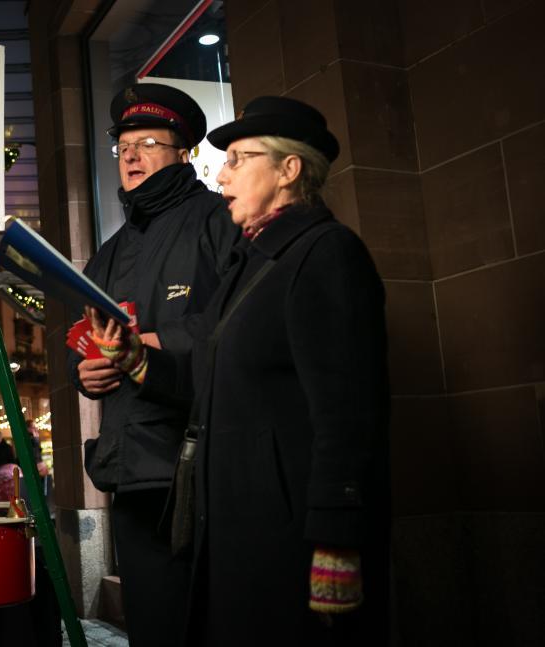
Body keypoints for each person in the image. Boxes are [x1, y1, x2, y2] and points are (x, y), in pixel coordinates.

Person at [92, 96, 390, 645]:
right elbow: (208, 372)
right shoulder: (250, 263)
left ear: (288, 170)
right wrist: (138, 363)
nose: (221, 172)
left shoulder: (325, 252)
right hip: (236, 520)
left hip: (287, 525)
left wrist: (336, 540)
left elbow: (348, 411)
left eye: (237, 160)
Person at [67, 83, 238, 646]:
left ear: (183, 152)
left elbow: (236, 325)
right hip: (129, 472)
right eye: (124, 148)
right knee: (153, 625)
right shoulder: (109, 251)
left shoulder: (218, 219)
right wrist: (86, 375)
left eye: (148, 144)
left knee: (211, 621)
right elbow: (95, 343)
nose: (132, 156)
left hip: (199, 467)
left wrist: (155, 344)